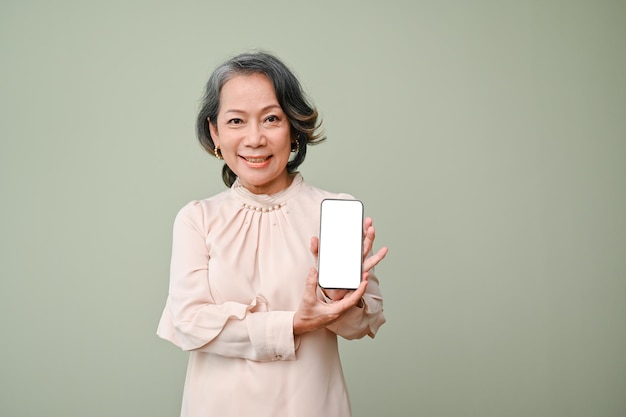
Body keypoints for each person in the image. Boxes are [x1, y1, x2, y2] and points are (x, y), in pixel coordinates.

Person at [157, 51, 388, 417]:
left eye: (271, 119)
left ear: (294, 128)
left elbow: (361, 326)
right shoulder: (197, 219)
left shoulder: (334, 210)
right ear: (215, 132)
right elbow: (188, 325)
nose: (254, 138)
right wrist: (294, 324)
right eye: (236, 121)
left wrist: (339, 297)